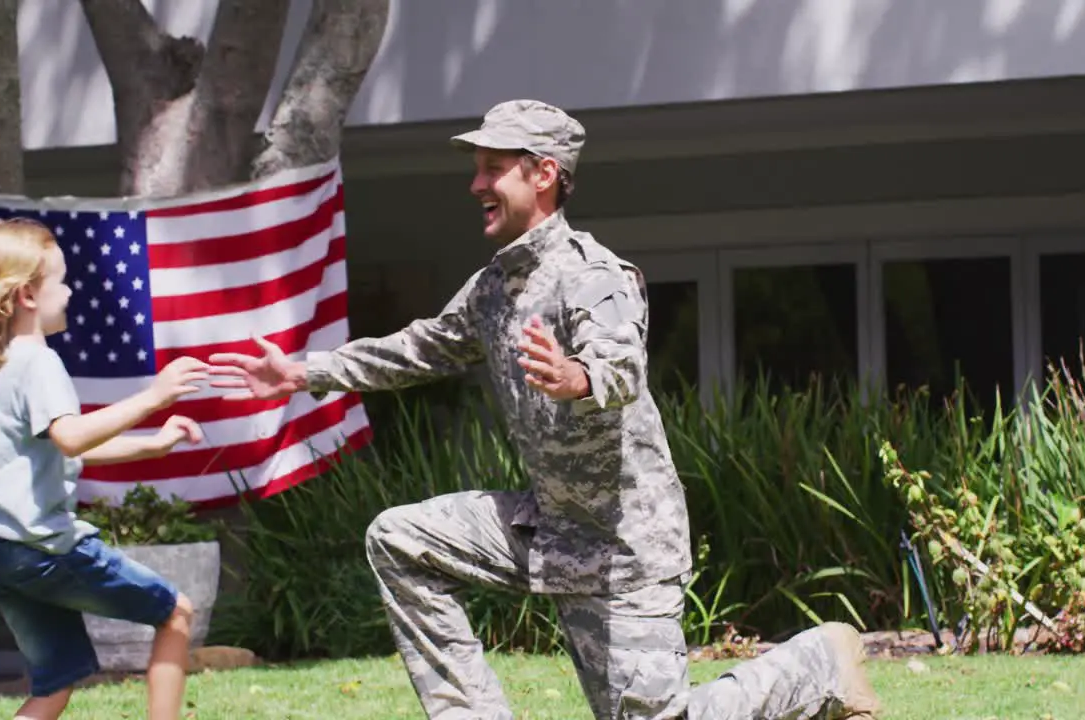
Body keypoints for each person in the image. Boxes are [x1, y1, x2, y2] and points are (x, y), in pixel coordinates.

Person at [207, 99, 882, 720]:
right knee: (398, 538)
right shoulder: (494, 287)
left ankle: (817, 662)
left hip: (626, 548)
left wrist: (576, 377)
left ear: (545, 175)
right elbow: (421, 349)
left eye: (493, 169)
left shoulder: (594, 274)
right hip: (552, 530)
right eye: (476, 169)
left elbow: (622, 365)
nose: (476, 185)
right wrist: (302, 372)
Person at [0, 217, 209, 720]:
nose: (71, 290)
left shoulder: (5, 360)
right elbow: (72, 435)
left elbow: (63, 448)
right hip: (42, 549)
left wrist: (151, 446)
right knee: (176, 613)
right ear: (28, 297)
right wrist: (154, 397)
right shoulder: (38, 362)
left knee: (55, 684)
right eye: (61, 280)